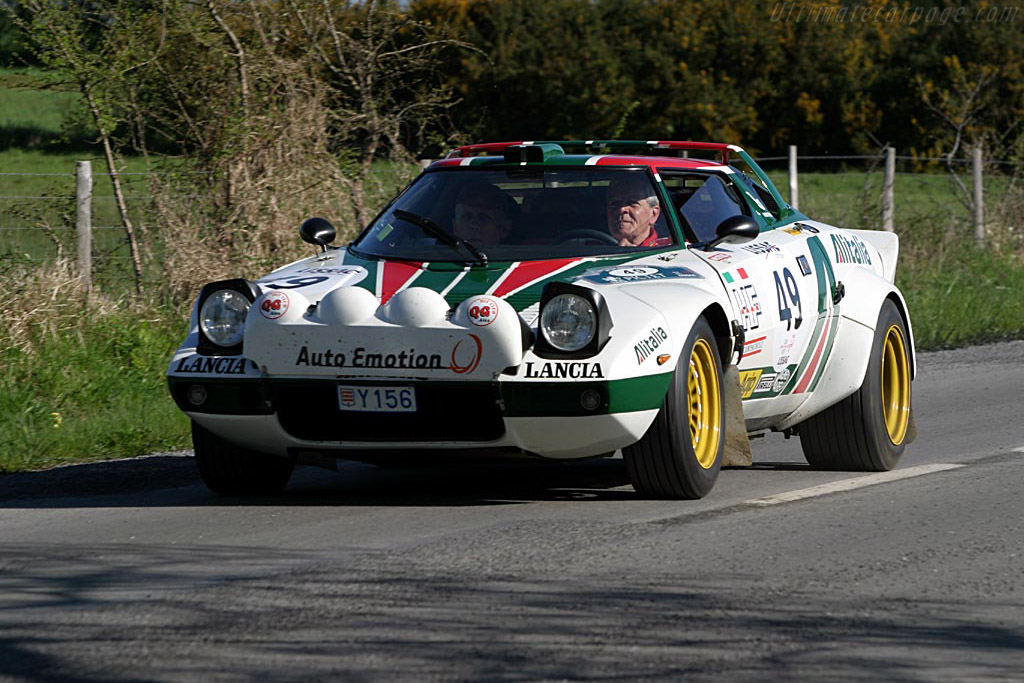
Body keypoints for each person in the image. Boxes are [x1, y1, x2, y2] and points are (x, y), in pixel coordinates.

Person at [606, 174, 666, 247]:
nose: (621, 209)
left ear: (654, 214)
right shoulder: (591, 247)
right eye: (614, 204)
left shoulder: (668, 249)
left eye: (632, 203)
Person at [452, 181, 518, 246]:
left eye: (483, 217)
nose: (474, 225)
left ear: (504, 229)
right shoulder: (442, 255)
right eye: (467, 217)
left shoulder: (523, 255)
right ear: (455, 228)